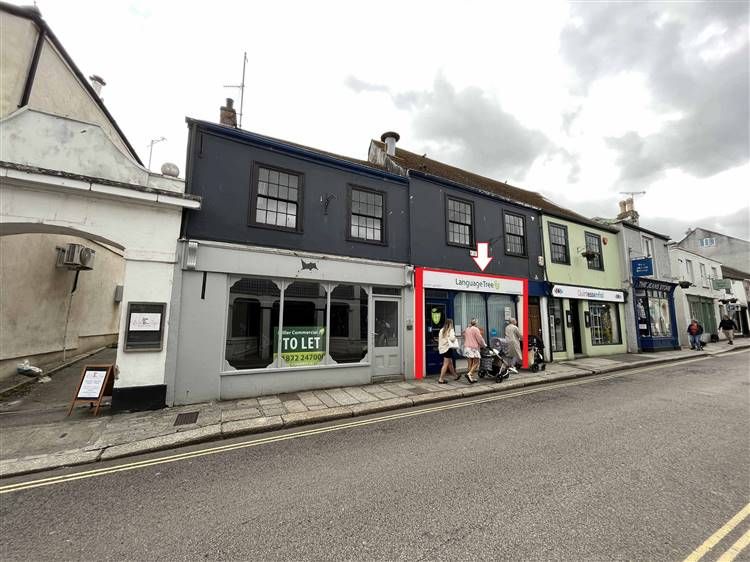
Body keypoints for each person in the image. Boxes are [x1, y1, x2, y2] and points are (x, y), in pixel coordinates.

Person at [462, 318, 485, 384]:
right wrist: (484, 345)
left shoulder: (467, 329)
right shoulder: (475, 329)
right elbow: (480, 339)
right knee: (477, 362)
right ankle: (469, 374)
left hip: (467, 348)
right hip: (473, 348)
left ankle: (470, 378)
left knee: (470, 363)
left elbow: (464, 336)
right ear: (476, 323)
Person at [437, 319, 459, 384]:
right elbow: (452, 338)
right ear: (450, 324)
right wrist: (455, 338)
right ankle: (441, 379)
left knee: (450, 363)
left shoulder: (442, 330)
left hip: (443, 349)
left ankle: (455, 376)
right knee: (446, 364)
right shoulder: (450, 330)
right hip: (448, 349)